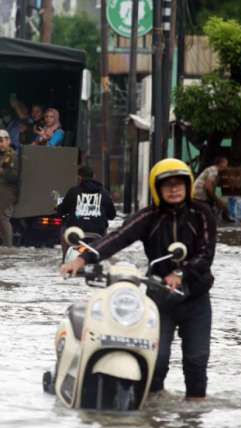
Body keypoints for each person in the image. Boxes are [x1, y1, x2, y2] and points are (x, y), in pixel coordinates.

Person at [61, 159, 217, 400]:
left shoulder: (202, 213)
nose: (174, 189)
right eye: (167, 185)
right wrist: (81, 259)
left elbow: (206, 254)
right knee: (157, 362)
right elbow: (118, 237)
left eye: (179, 184)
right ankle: (152, 416)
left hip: (196, 298)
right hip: (159, 299)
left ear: (187, 186)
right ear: (157, 188)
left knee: (196, 362)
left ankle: (194, 421)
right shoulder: (149, 216)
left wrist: (181, 274)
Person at [56, 165, 116, 237]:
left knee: (64, 227)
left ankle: (67, 248)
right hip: (98, 232)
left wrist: (58, 208)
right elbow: (112, 215)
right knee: (104, 228)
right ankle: (102, 246)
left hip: (76, 231)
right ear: (94, 176)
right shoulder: (104, 193)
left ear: (79, 177)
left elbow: (63, 210)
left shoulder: (73, 191)